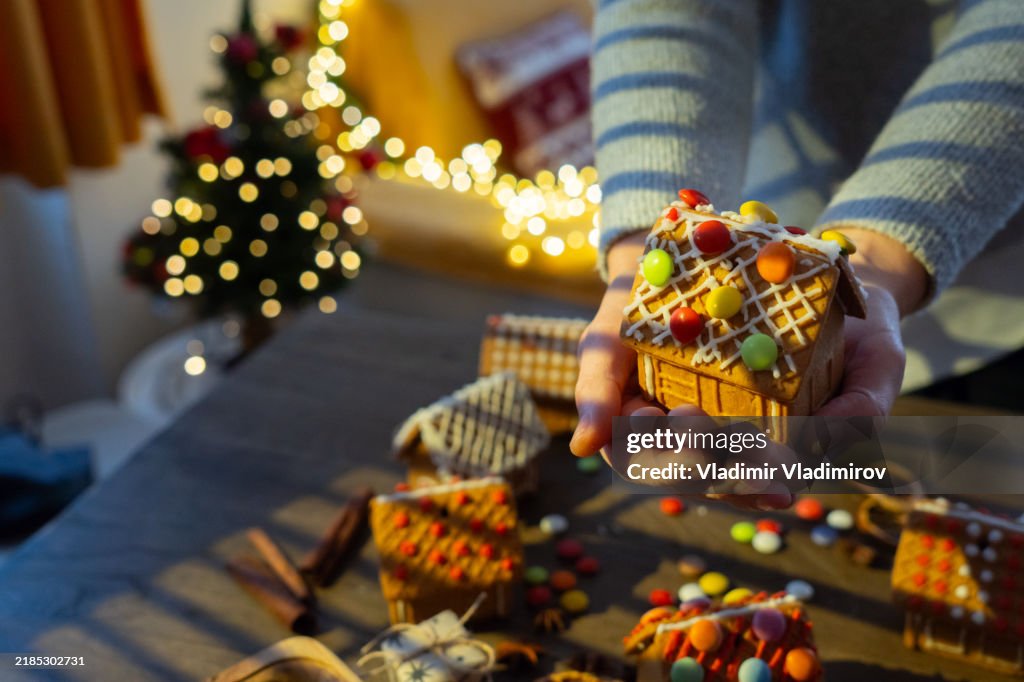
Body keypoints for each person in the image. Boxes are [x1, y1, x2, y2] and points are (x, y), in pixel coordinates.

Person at [571, 0, 1024, 490]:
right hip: (778, 199)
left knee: (984, 491)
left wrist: (886, 251)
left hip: (1001, 281)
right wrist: (646, 245)